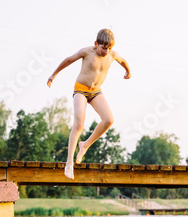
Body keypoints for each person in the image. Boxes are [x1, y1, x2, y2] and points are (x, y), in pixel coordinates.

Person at [47, 29, 131, 179]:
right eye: (103, 48)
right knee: (79, 124)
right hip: (80, 90)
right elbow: (68, 59)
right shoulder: (87, 52)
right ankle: (69, 163)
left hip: (96, 92)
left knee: (109, 120)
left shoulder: (112, 55)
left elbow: (123, 60)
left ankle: (85, 145)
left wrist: (128, 71)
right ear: (96, 44)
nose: (106, 51)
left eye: (109, 48)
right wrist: (54, 74)